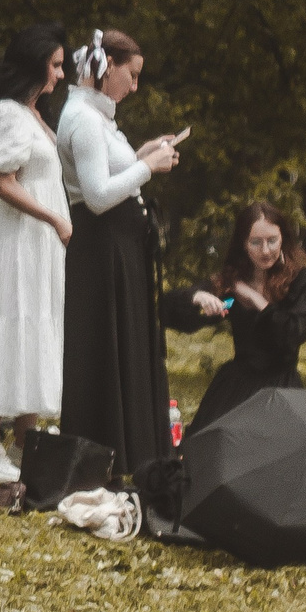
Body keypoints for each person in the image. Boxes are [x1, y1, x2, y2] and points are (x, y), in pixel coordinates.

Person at [57, 28, 181, 478]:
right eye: (132, 75)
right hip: (103, 249)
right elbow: (96, 196)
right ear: (108, 66)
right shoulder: (84, 119)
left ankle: (131, 448)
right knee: (105, 348)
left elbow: (109, 171)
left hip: (120, 247)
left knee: (124, 345)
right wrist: (147, 167)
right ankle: (108, 448)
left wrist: (143, 153)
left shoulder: (96, 116)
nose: (135, 86)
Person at [0, 24, 72, 484]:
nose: (61, 74)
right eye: (55, 65)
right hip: (22, 239)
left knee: (38, 324)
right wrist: (55, 218)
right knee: (17, 322)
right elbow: (4, 185)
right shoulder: (8, 113)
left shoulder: (35, 114)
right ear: (35, 63)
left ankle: (27, 440)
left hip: (42, 244)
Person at [161, 201, 306, 429]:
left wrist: (255, 299)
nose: (265, 250)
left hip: (282, 388)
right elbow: (167, 310)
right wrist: (197, 297)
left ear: (283, 239)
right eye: (256, 242)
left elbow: (293, 332)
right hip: (237, 386)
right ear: (244, 245)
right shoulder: (232, 282)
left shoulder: (301, 280)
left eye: (272, 240)